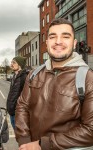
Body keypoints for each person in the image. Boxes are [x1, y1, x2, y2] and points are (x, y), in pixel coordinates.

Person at [15, 18, 93, 150]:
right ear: (46, 43)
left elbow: (90, 130)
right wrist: (24, 140)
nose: (58, 42)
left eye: (65, 36)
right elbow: (22, 106)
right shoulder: (34, 74)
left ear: (74, 43)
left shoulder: (88, 78)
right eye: (53, 37)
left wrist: (42, 144)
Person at [7, 56, 28, 129]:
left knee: (21, 136)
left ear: (20, 65)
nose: (11, 64)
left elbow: (27, 97)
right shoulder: (14, 76)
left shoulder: (24, 77)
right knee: (17, 135)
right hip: (12, 112)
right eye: (11, 62)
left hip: (18, 113)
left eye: (14, 62)